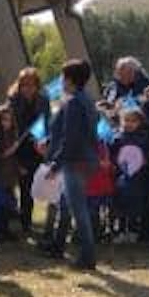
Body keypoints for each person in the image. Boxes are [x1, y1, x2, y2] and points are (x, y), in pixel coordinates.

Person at [41, 58, 103, 271]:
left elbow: (71, 138)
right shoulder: (86, 99)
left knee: (79, 210)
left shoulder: (74, 103)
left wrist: (56, 164)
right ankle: (58, 246)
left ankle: (88, 256)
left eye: (63, 76)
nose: (61, 80)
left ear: (69, 79)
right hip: (86, 159)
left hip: (76, 161)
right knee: (67, 205)